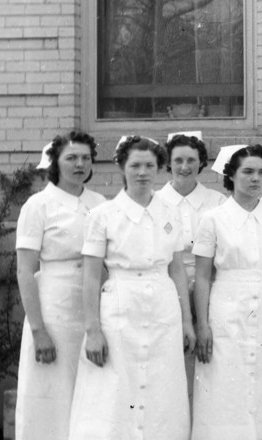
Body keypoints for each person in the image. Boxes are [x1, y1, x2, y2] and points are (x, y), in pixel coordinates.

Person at [67, 136, 193, 439]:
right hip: (120, 305)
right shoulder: (102, 216)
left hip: (163, 306)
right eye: (135, 165)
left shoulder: (170, 212)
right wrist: (93, 330)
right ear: (121, 167)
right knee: (114, 388)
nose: (142, 172)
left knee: (162, 388)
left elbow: (176, 268)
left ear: (159, 168)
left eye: (150, 165)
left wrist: (187, 321)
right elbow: (92, 276)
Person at [191, 144, 262, 439]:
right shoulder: (213, 219)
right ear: (231, 176)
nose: (256, 179)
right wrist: (203, 325)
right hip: (226, 306)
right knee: (227, 386)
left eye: (261, 173)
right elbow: (202, 276)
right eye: (247, 172)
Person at [14, 131, 107, 440]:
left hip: (93, 308)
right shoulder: (38, 205)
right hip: (53, 309)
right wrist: (39, 330)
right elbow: (26, 271)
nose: (79, 164)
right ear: (55, 163)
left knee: (91, 390)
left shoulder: (100, 203)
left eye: (85, 157)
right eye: (71, 158)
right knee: (51, 393)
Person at [156, 132, 227, 287]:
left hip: (211, 283)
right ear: (168, 163)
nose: (184, 167)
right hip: (165, 286)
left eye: (191, 160)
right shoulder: (154, 202)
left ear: (201, 162)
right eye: (178, 160)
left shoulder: (218, 201)